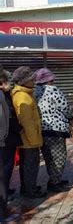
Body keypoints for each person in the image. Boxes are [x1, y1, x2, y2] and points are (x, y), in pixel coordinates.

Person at [34, 68, 72, 192]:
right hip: (55, 129)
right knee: (59, 157)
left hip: (42, 128)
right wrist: (69, 116)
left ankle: (55, 179)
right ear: (49, 79)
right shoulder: (53, 90)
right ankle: (55, 182)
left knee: (48, 156)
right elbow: (65, 107)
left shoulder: (34, 91)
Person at [11, 66, 46, 198]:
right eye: (31, 79)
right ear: (23, 81)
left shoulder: (25, 94)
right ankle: (29, 191)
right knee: (30, 167)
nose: (34, 81)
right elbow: (27, 122)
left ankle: (28, 187)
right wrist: (35, 140)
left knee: (28, 166)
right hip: (28, 140)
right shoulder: (22, 96)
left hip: (28, 138)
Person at [0, 68, 20, 222]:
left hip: (5, 140)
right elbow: (4, 119)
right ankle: (1, 211)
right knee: (2, 176)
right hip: (3, 142)